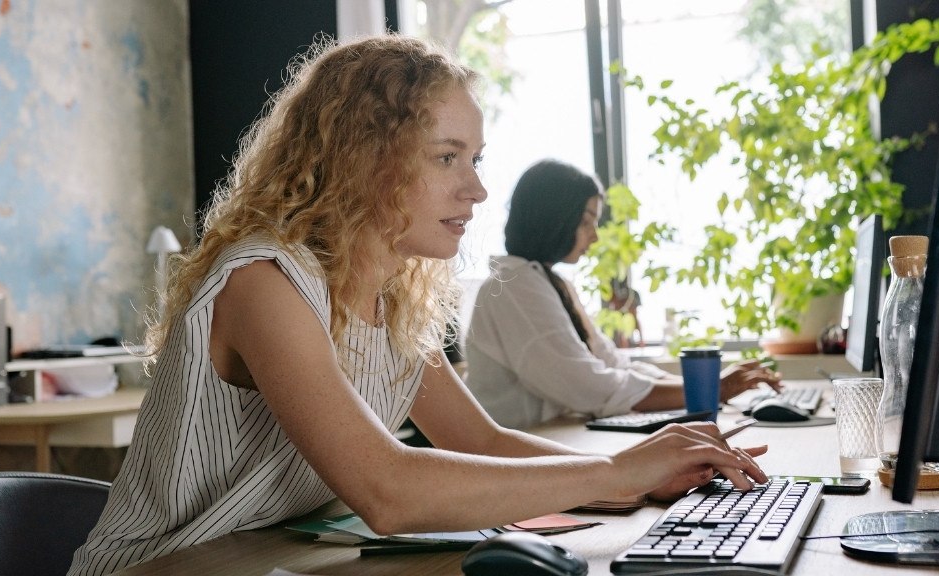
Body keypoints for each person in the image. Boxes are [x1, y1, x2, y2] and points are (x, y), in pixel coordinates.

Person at [67, 35, 769, 576]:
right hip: (157, 569)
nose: (477, 190)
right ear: (362, 157)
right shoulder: (264, 283)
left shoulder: (393, 296)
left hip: (258, 561)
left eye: (476, 159)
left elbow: (484, 444)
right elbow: (387, 490)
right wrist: (614, 472)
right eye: (446, 158)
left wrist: (648, 479)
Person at [463, 159, 783, 430]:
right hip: (523, 454)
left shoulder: (548, 282)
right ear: (555, 217)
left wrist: (710, 389)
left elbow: (612, 363)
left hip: (555, 438)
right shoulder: (513, 286)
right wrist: (712, 390)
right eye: (587, 221)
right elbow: (588, 387)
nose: (595, 235)